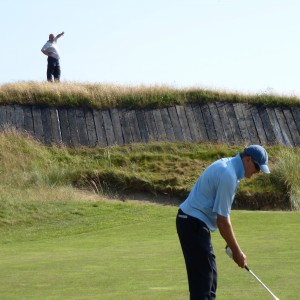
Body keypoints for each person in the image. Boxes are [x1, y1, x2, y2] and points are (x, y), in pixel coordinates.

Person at [176, 145, 270, 300]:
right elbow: (223, 222)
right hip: (192, 223)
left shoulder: (230, 167)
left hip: (195, 224)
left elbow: (221, 218)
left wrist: (232, 246)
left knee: (210, 279)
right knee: (203, 286)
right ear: (247, 160)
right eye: (257, 167)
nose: (257, 172)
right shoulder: (229, 175)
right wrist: (237, 252)